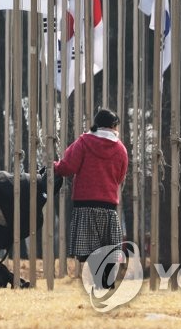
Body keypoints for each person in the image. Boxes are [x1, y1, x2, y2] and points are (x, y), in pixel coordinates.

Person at [54, 108, 129, 265]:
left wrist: (54, 166)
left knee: (87, 251)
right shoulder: (121, 149)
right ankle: (106, 282)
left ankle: (91, 279)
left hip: (85, 203)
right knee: (107, 250)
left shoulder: (83, 142)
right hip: (108, 204)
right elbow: (120, 177)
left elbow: (69, 167)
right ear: (114, 125)